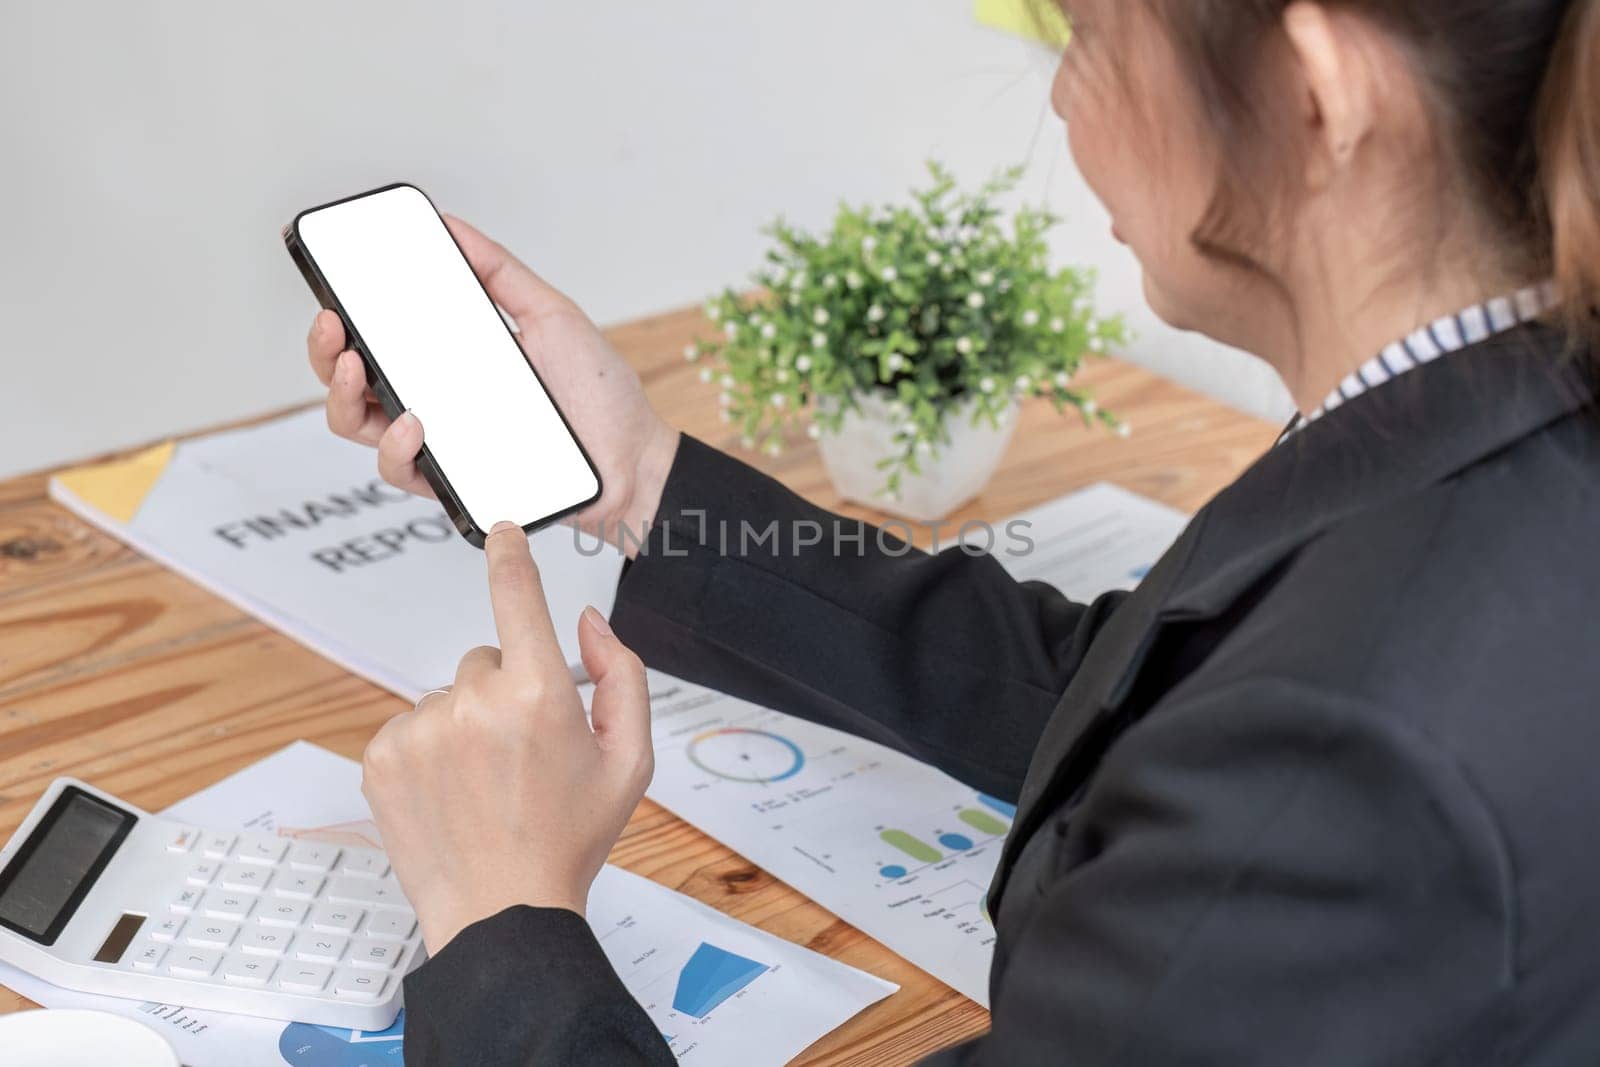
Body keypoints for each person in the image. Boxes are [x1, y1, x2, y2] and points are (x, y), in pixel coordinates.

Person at [305, 1, 1600, 1062]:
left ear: (1320, 93)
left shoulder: (1351, 771)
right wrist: (641, 479)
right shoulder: (1510, 436)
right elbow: (1135, 695)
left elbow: (1264, 745)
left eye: (1085, 32)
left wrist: (504, 924)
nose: (1060, 100)